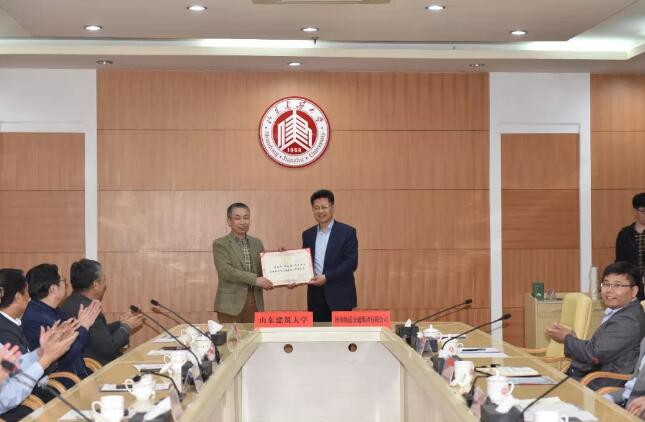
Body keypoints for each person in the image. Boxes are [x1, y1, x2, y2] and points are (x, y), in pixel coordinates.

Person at [545, 261, 645, 390]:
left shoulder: (628, 321)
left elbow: (594, 355)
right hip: (591, 377)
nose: (609, 290)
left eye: (617, 285)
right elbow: (600, 348)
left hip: (601, 384)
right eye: (606, 284)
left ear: (634, 291)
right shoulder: (622, 311)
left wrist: (566, 338)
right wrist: (571, 338)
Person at [0, 268, 80, 421]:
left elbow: (15, 366)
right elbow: (8, 398)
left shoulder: (11, 324)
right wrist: (44, 360)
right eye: (27, 292)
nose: (30, 298)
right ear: (17, 297)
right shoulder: (4, 331)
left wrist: (42, 352)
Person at [22, 264, 101, 379]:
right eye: (63, 280)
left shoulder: (54, 311)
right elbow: (64, 357)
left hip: (76, 374)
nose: (66, 285)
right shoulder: (35, 317)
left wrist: (81, 326)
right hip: (60, 381)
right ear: (53, 289)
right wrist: (83, 328)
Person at [60, 259, 143, 365]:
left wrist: (121, 324)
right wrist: (127, 327)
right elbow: (107, 347)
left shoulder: (69, 302)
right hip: (95, 368)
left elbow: (97, 335)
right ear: (95, 284)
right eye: (104, 280)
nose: (105, 285)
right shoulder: (88, 309)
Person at [301, 189, 358, 322]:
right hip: (316, 296)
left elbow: (351, 263)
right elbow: (304, 261)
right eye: (316, 208)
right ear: (312, 210)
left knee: (341, 335)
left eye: (324, 207)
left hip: (340, 296)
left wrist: (327, 277)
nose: (320, 211)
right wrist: (286, 257)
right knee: (318, 333)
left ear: (332, 208)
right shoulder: (308, 234)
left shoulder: (347, 232)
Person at [213, 203, 273, 323]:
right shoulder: (220, 243)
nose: (243, 222)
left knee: (254, 335)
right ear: (229, 221)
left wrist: (281, 258)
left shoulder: (257, 243)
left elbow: (265, 269)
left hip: (255, 301)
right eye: (237, 218)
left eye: (246, 218)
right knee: (231, 336)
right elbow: (226, 271)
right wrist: (254, 279)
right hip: (230, 304)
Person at [615, 192, 645, 300]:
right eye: (643, 211)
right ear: (635, 211)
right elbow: (620, 262)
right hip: (632, 286)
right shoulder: (624, 234)